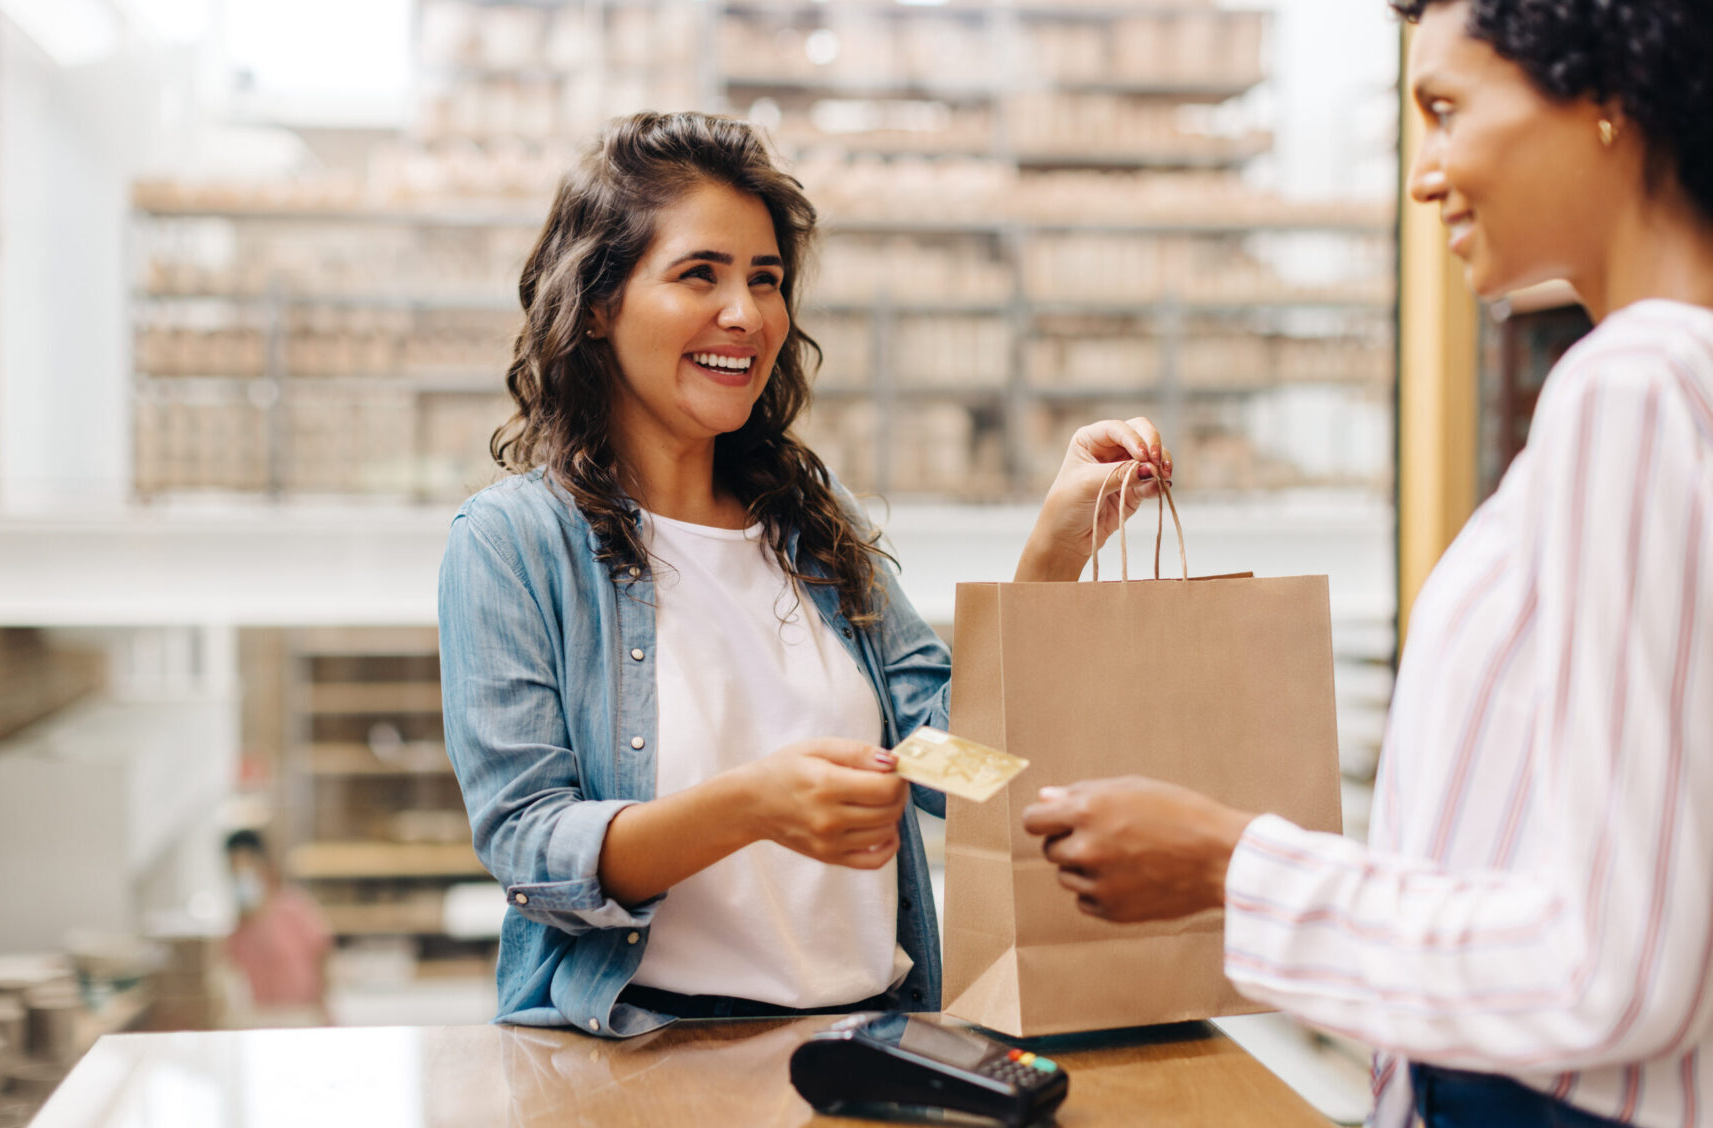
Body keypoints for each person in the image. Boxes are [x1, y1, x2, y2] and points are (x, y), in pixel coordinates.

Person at [1022, 1, 1713, 1125]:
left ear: (1610, 98)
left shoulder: (1630, 387)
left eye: (1445, 111)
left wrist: (1227, 864)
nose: (1423, 176)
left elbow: (1610, 970)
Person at [437, 110, 1171, 1038]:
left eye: (766, 280)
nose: (746, 314)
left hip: (868, 1045)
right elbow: (528, 846)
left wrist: (1056, 551)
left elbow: (956, 768)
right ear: (597, 303)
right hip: (645, 1055)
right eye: (700, 274)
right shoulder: (512, 544)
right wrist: (751, 805)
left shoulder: (813, 525)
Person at [223, 829, 334, 1026]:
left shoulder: (294, 908)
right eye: (234, 866)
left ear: (264, 864)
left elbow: (322, 955)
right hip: (263, 1018)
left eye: (247, 863)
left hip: (302, 1015)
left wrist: (323, 1008)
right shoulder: (237, 925)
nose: (241, 871)